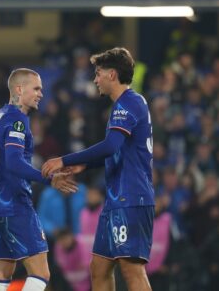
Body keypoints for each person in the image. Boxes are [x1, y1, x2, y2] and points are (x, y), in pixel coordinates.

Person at [42, 47, 155, 291]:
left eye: (98, 73)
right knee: (99, 268)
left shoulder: (130, 102)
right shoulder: (122, 105)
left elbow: (110, 145)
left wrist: (65, 160)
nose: (95, 79)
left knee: (131, 269)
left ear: (112, 74)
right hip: (116, 200)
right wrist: (86, 163)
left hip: (132, 197)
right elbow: (117, 150)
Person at [0, 68, 78, 291]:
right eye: (36, 88)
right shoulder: (18, 119)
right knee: (41, 273)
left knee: (1, 274)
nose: (40, 94)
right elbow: (14, 162)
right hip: (15, 205)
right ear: (19, 89)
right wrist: (49, 179)